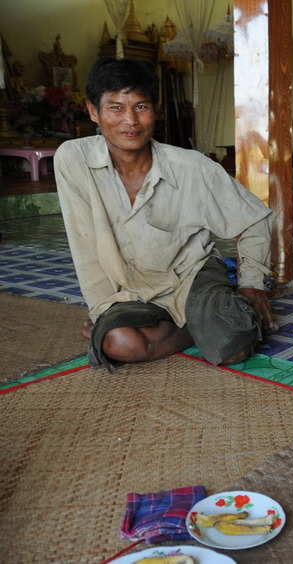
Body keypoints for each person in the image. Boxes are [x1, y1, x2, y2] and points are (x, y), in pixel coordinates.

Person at [55, 57, 277, 372]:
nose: (130, 121)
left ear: (154, 111)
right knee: (118, 343)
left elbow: (256, 219)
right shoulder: (74, 160)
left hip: (192, 274)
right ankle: (194, 329)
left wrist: (252, 282)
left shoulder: (192, 168)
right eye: (116, 108)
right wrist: (100, 311)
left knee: (232, 349)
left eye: (141, 107)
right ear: (94, 111)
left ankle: (206, 323)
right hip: (130, 284)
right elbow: (85, 245)